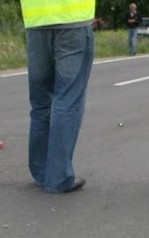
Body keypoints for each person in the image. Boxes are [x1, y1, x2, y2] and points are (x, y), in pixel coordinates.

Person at [20, 0, 94, 193]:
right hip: (72, 19)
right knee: (68, 99)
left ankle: (42, 173)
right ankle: (59, 177)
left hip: (36, 21)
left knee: (40, 103)